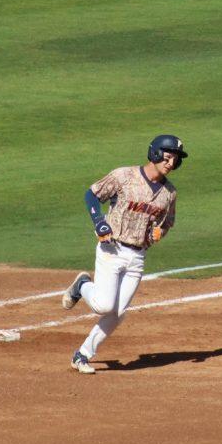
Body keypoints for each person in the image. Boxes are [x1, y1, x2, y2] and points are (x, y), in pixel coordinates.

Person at [61, 134, 186, 374]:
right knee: (104, 306)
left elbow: (167, 222)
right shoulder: (124, 176)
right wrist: (99, 222)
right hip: (112, 248)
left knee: (118, 314)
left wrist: (159, 233)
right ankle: (82, 285)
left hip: (138, 257)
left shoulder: (169, 193)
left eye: (176, 160)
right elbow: (92, 194)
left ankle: (82, 355)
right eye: (169, 157)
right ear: (156, 153)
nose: (171, 163)